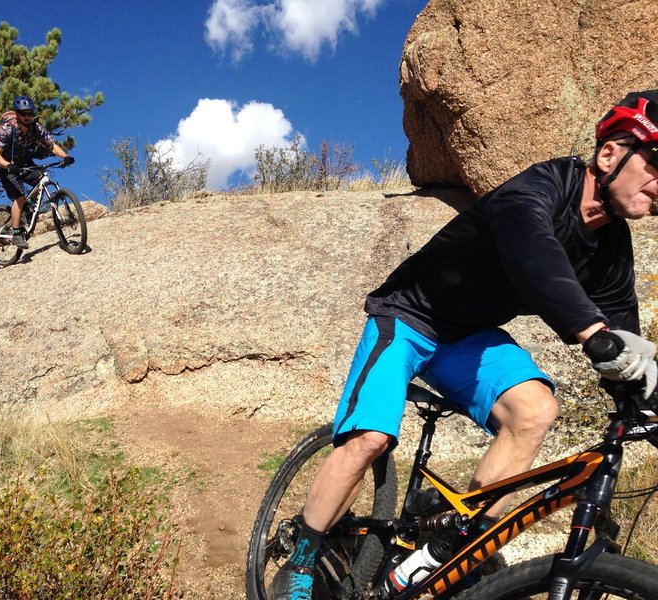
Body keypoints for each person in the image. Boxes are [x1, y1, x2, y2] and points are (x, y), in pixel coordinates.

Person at [269, 90, 658, 600]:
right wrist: (593, 334)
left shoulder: (611, 251)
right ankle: (303, 552)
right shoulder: (541, 188)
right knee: (370, 439)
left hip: (469, 337)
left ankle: (445, 549)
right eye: (656, 163)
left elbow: (627, 342)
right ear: (610, 154)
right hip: (408, 318)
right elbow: (534, 256)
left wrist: (646, 401)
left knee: (535, 410)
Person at [0, 95, 74, 249]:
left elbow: (51, 144)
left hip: (22, 162)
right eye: (23, 113)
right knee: (19, 197)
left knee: (41, 179)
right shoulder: (7, 129)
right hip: (4, 165)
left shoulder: (35, 128)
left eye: (30, 113)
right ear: (17, 114)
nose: (27, 117)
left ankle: (27, 210)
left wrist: (65, 156)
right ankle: (16, 234)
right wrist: (8, 165)